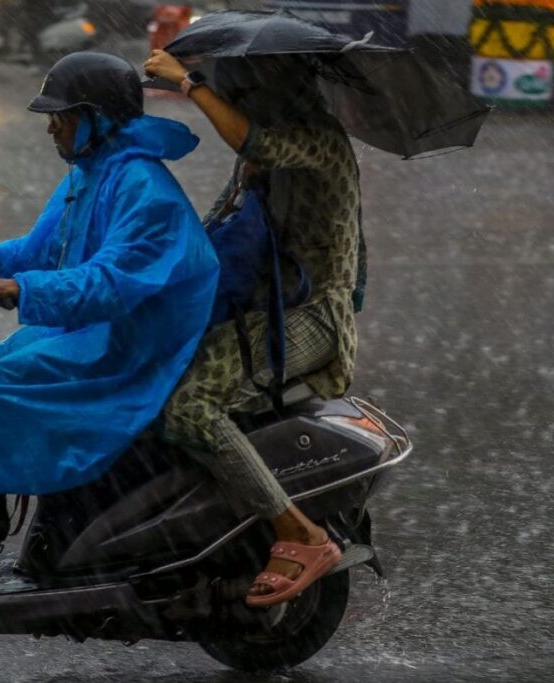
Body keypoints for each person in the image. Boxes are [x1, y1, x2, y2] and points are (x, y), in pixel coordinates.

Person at [0, 52, 220, 593]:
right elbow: (35, 251)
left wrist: (20, 289)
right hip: (90, 333)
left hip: (131, 349)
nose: (51, 125)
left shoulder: (146, 190)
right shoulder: (90, 173)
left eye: (63, 115)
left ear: (97, 119)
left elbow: (108, 283)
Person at [144, 49, 365, 607]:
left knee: (191, 407)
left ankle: (299, 532)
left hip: (312, 316)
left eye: (245, 85)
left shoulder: (317, 139)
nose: (239, 95)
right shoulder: (267, 152)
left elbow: (257, 142)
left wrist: (189, 83)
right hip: (262, 310)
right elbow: (217, 223)